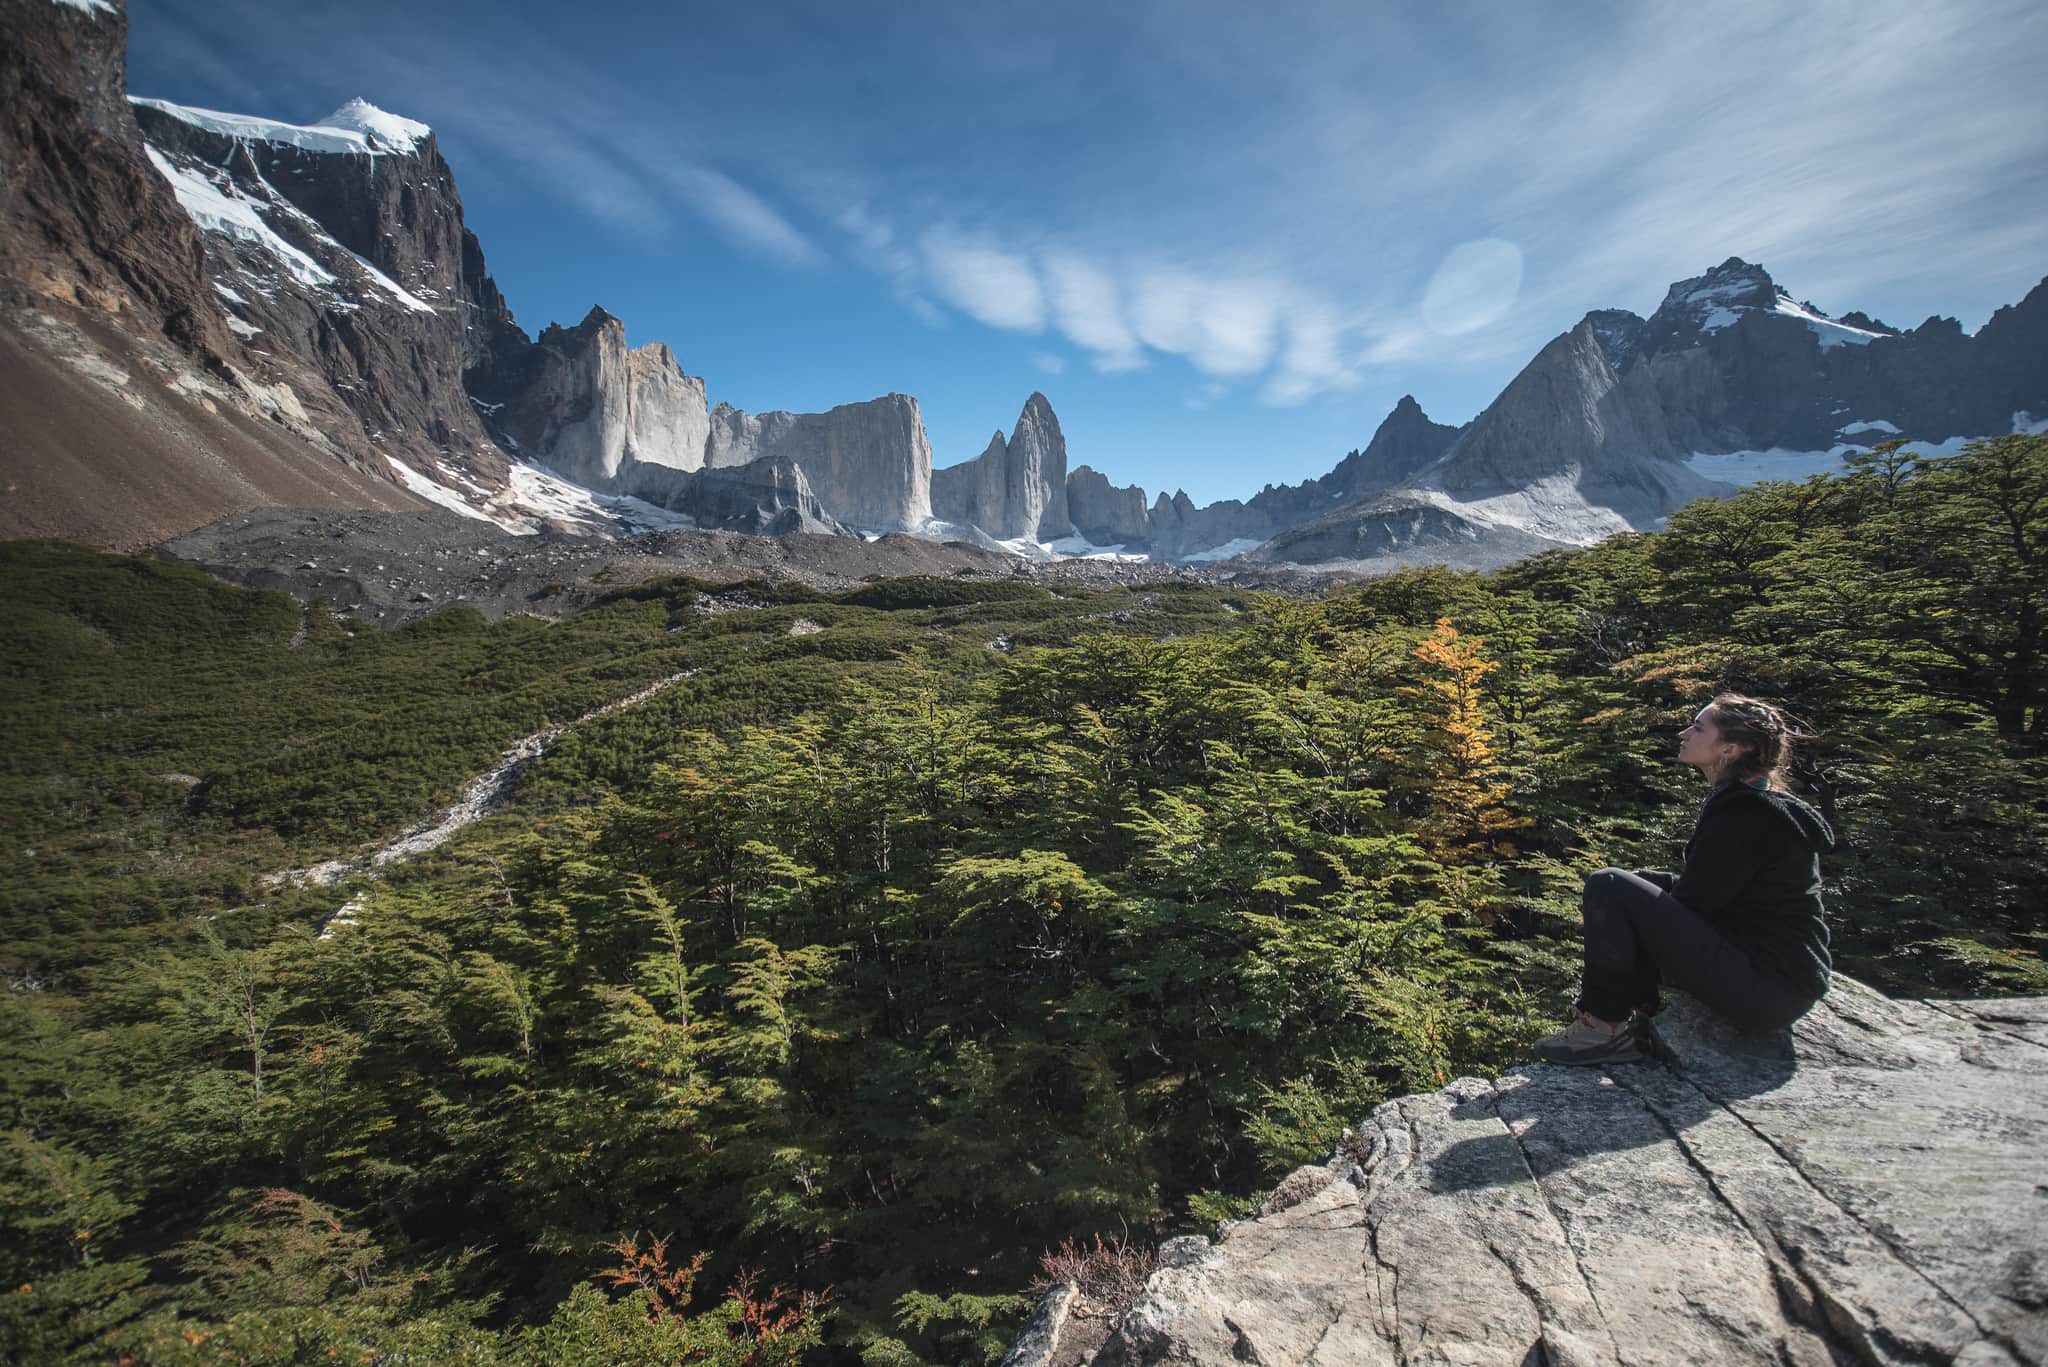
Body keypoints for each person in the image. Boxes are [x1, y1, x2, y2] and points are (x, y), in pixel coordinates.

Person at [1531, 693, 1836, 1066]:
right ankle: (1635, 1014)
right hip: (1780, 982)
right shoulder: (1756, 803)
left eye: (1698, 727)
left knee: (1609, 885)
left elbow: (1693, 908)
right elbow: (1717, 895)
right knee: (1640, 883)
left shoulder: (1745, 817)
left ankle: (1604, 1029)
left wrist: (1633, 915)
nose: (1683, 732)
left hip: (1767, 991)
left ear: (1730, 748)